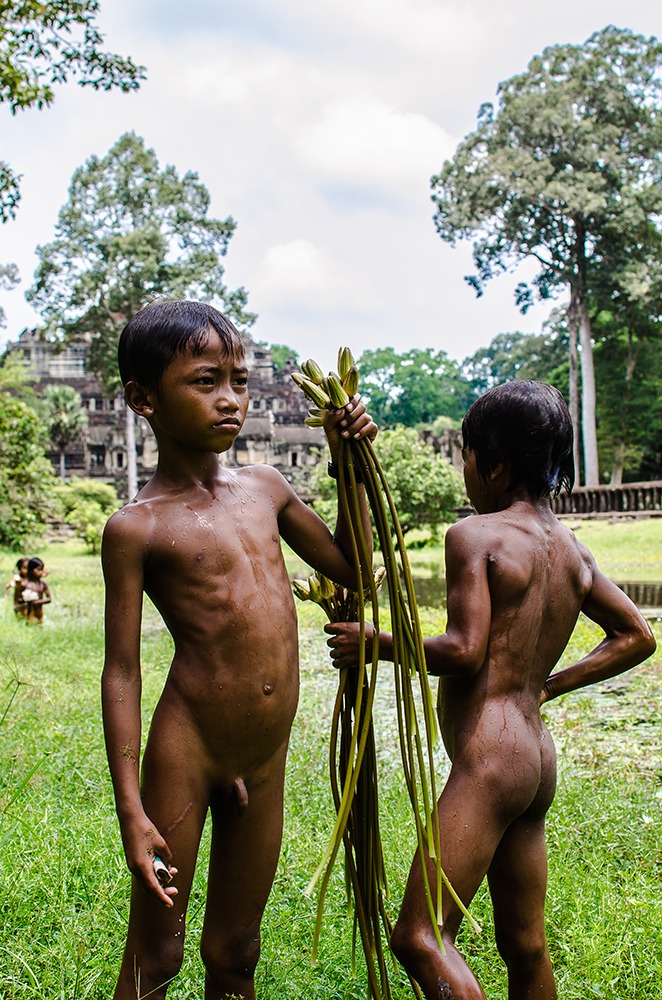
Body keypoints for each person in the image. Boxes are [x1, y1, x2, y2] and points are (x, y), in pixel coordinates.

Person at [325, 380, 656, 1000]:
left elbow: (463, 650)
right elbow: (636, 635)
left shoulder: (475, 535)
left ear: (496, 464)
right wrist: (547, 687)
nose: (465, 472)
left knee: (421, 937)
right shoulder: (571, 550)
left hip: (492, 759)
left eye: (467, 457)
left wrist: (379, 641)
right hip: (535, 756)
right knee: (525, 945)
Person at [101, 299, 377, 1000]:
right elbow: (123, 672)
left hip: (265, 753)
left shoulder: (266, 488)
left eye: (240, 380)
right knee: (155, 959)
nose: (231, 400)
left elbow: (353, 565)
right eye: (204, 381)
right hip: (187, 752)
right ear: (143, 399)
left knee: (236, 953)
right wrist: (131, 809)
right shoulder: (137, 528)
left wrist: (351, 462)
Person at [17, 557, 51, 623]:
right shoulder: (24, 584)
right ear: (31, 570)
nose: (41, 572)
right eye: (38, 570)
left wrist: (38, 602)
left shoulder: (43, 584)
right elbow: (18, 600)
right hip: (27, 614)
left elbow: (49, 599)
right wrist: (27, 599)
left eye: (42, 570)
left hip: (40, 613)